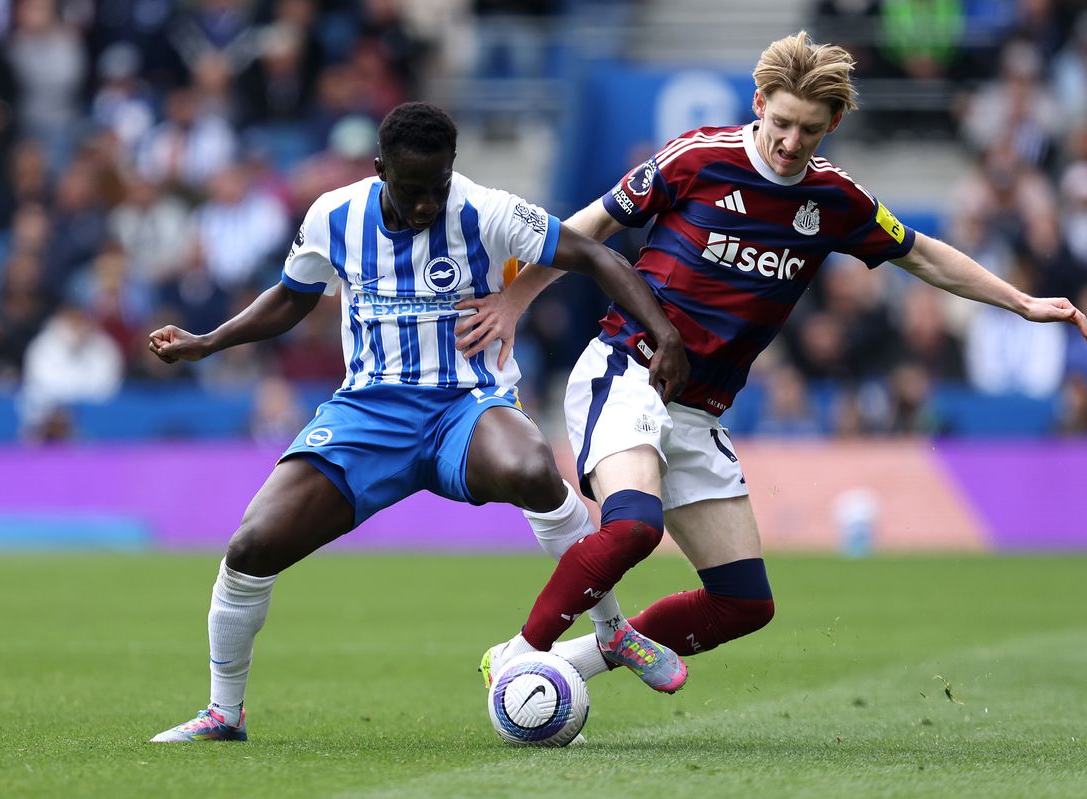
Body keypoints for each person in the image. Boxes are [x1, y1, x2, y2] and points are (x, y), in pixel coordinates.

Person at [466, 31, 1087, 687]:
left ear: (835, 124)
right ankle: (515, 657)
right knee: (634, 528)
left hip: (699, 411)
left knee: (744, 602)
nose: (792, 143)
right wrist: (514, 303)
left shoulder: (834, 200)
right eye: (783, 123)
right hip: (628, 370)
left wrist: (1020, 301)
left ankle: (578, 660)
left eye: (811, 132)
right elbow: (589, 230)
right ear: (760, 102)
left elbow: (923, 253)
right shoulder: (697, 157)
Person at [147, 102, 690, 743]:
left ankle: (611, 631)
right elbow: (293, 297)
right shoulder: (333, 215)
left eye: (438, 188)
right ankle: (223, 713)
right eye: (411, 192)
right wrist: (209, 342)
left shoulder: (487, 210)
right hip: (367, 415)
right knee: (249, 549)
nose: (428, 205)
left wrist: (664, 334)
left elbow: (596, 257)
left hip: (468, 404)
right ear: (380, 171)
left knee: (532, 469)